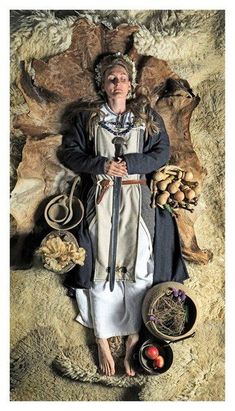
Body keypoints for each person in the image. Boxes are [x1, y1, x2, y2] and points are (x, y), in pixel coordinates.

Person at [58, 52, 189, 377]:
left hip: (136, 196)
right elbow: (70, 153)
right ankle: (101, 340)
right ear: (103, 85)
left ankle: (133, 342)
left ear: (131, 85)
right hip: (100, 198)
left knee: (140, 264)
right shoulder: (87, 118)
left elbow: (161, 152)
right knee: (98, 266)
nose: (118, 83)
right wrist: (101, 165)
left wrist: (130, 164)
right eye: (111, 78)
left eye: (123, 78)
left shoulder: (146, 116)